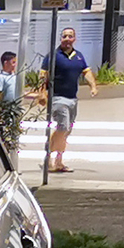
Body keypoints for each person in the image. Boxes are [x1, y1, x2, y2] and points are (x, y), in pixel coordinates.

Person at [43, 27, 96, 172]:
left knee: (67, 131)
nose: (67, 39)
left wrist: (93, 86)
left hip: (73, 99)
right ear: (61, 38)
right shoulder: (53, 56)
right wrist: (42, 93)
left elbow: (86, 71)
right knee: (63, 127)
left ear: (74, 39)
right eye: (64, 36)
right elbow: (43, 75)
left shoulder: (78, 56)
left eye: (70, 36)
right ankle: (49, 153)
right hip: (58, 98)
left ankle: (58, 161)